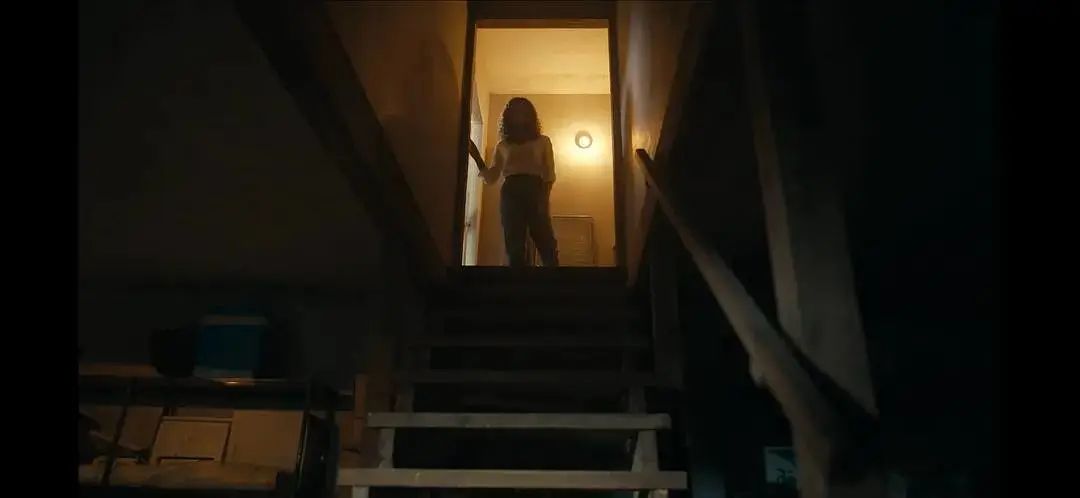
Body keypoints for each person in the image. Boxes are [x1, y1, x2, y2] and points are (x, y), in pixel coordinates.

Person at [468, 97, 559, 267]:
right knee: (514, 241)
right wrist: (476, 156)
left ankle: (554, 277)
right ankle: (517, 278)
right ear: (508, 116)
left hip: (535, 189)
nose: (519, 114)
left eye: (522, 110)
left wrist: (543, 199)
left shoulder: (543, 141)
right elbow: (492, 177)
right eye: (515, 110)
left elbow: (549, 174)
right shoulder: (503, 145)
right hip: (511, 191)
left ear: (530, 115)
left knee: (545, 239)